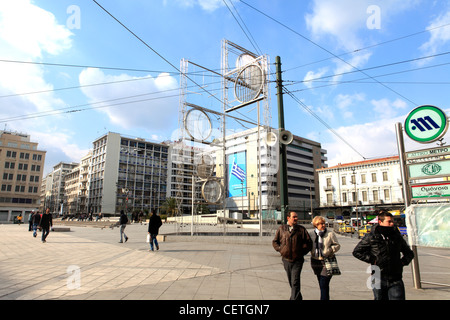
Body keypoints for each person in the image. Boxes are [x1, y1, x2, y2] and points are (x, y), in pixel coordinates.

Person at [353, 210, 414, 300]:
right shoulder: (372, 237)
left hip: (395, 278)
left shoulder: (396, 237)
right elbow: (357, 252)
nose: (392, 224)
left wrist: (401, 263)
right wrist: (372, 259)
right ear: (380, 222)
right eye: (389, 221)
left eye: (392, 221)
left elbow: (409, 253)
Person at [272, 211, 312, 300]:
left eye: (296, 217)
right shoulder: (281, 229)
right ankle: (298, 297)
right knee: (291, 281)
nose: (296, 219)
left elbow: (309, 243)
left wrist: (302, 252)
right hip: (286, 259)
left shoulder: (301, 230)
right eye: (294, 217)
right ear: (288, 218)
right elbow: (275, 241)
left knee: (295, 281)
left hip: (297, 260)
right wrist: (281, 250)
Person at [310, 216, 341, 300]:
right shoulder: (311, 234)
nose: (323, 225)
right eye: (320, 224)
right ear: (315, 225)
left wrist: (330, 250)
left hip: (327, 261)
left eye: (323, 223)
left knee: (324, 283)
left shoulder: (330, 234)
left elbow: (337, 245)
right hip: (315, 261)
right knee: (321, 284)